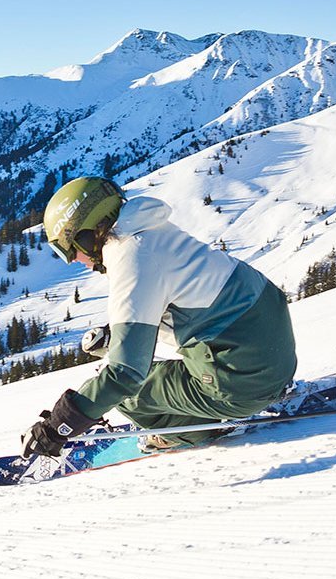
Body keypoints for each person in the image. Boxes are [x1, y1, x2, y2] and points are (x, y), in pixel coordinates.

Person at [23, 176, 298, 458]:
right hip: (271, 353)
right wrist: (117, 335)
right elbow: (182, 302)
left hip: (241, 381)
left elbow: (125, 374)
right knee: (144, 373)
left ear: (85, 233)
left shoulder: (130, 257)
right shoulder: (151, 230)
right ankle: (262, 391)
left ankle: (199, 429)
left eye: (69, 249)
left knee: (130, 396)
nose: (74, 260)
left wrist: (58, 426)